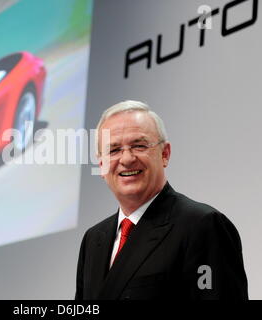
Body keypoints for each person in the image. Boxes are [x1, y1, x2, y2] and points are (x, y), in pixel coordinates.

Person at [75, 100, 248, 300]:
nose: (127, 159)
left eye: (139, 145)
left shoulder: (202, 225)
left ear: (165, 154)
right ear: (101, 165)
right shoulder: (94, 239)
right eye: (114, 150)